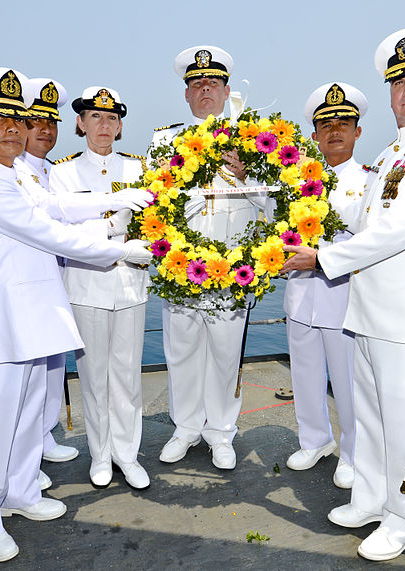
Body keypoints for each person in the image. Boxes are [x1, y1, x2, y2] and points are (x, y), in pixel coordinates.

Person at [281, 27, 405, 561]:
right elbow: (360, 216)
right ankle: (370, 499)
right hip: (368, 309)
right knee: (368, 418)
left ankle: (403, 520)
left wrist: (321, 258)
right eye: (399, 81)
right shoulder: (394, 154)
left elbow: (400, 231)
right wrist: (291, 204)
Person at [0, 67, 152, 562]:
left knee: (20, 420)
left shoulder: (12, 172)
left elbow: (57, 205)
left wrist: (116, 198)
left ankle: (18, 494)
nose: (15, 128)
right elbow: (45, 231)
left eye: (18, 118)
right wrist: (117, 249)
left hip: (30, 316)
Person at [155, 46, 264, 470]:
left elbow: (276, 206)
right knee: (180, 353)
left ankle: (220, 432)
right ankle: (185, 428)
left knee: (224, 356)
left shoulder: (255, 140)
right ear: (186, 95)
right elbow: (155, 203)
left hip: (232, 271)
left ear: (226, 90)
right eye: (196, 84)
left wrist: (247, 173)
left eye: (213, 83)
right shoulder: (166, 141)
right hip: (181, 270)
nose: (205, 90)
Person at [48, 86, 150, 489]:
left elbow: (153, 225)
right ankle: (101, 456)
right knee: (93, 377)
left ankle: (128, 455)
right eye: (94, 117)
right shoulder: (63, 172)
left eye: (111, 118)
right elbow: (62, 229)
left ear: (120, 124)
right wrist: (113, 235)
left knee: (127, 376)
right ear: (80, 122)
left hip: (129, 288)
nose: (103, 125)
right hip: (85, 286)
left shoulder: (140, 169)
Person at [283, 82, 368, 490]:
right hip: (301, 295)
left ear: (357, 132)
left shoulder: (370, 183)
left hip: (344, 299)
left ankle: (352, 453)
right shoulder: (295, 182)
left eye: (343, 123)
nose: (334, 131)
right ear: (314, 135)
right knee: (305, 375)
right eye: (326, 125)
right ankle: (314, 440)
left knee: (349, 385)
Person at [15, 78, 79, 492]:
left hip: (57, 277)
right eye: (36, 121)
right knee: (29, 376)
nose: (46, 130)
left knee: (53, 366)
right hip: (27, 284)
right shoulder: (14, 170)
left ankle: (43, 435)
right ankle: (24, 454)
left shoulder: (55, 171)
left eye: (51, 122)